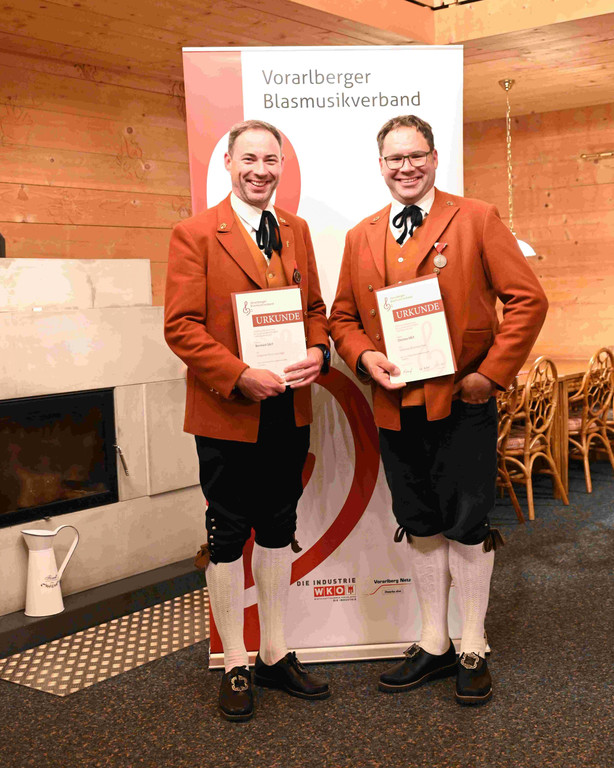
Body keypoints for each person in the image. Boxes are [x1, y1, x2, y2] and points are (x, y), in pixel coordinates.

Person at [329, 115, 548, 705]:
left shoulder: (476, 217)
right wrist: (364, 355)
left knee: (467, 523)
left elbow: (528, 300)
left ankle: (472, 643)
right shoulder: (360, 235)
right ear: (380, 165)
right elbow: (342, 317)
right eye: (394, 158)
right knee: (420, 520)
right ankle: (434, 642)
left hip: (462, 402)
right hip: (394, 405)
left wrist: (490, 375)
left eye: (416, 155)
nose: (406, 167)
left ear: (433, 157)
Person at [164, 119, 331, 721]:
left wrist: (319, 350)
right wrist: (238, 375)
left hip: (288, 408)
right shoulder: (194, 233)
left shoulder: (297, 230)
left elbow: (314, 309)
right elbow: (181, 327)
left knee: (280, 526)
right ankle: (235, 660)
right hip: (227, 411)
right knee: (229, 533)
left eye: (270, 160)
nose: (261, 170)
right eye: (249, 160)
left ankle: (274, 653)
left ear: (282, 165)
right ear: (228, 164)